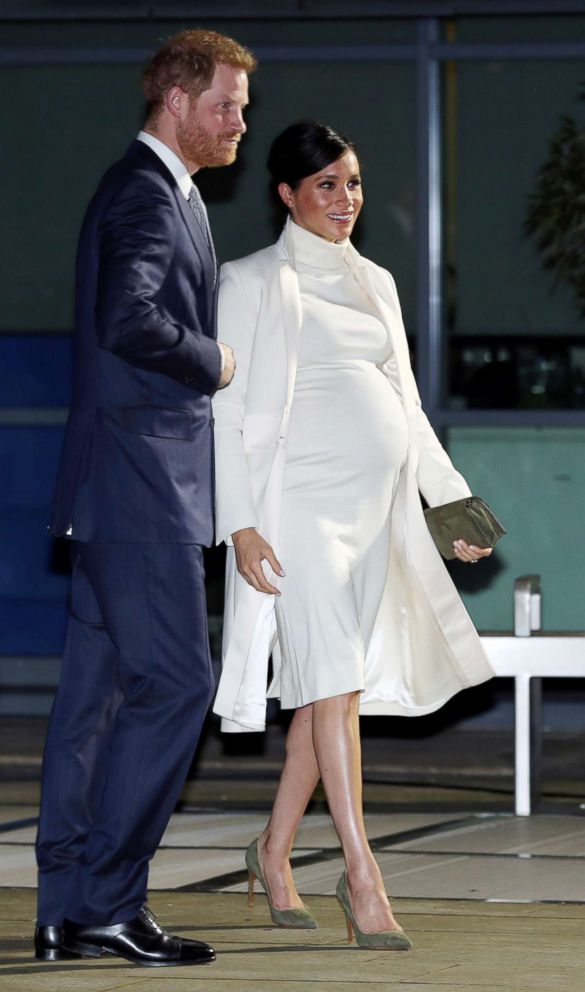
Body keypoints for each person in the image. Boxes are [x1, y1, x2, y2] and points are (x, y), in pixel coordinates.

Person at [212, 121, 494, 950]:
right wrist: (239, 524)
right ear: (287, 195)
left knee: (330, 692)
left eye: (354, 184)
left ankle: (271, 850)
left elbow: (406, 408)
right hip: (295, 509)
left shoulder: (376, 282)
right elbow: (223, 414)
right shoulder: (251, 280)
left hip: (377, 512)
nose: (344, 200)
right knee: (331, 685)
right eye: (326, 185)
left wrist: (452, 508)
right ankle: (363, 875)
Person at [34, 30, 256, 967]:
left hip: (112, 486)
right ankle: (109, 902)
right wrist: (214, 359)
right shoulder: (144, 192)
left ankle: (62, 908)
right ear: (176, 99)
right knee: (177, 686)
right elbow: (129, 318)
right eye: (226, 105)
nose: (240, 120)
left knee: (93, 702)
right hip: (141, 490)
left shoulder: (164, 192)